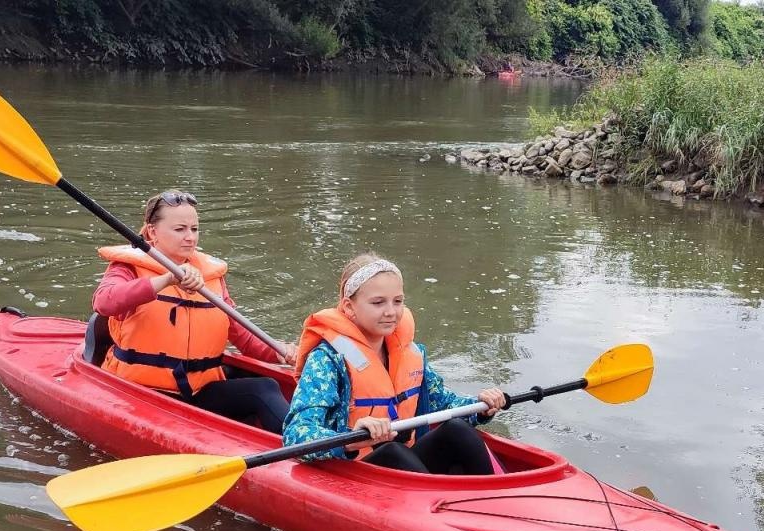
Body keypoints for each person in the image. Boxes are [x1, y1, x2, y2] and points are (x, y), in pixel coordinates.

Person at [284, 253, 507, 475]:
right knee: (393, 451)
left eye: (397, 301)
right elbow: (296, 435)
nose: (391, 312)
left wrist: (480, 406)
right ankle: (434, 504)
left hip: (405, 466)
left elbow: (444, 404)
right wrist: (352, 438)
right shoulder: (327, 359)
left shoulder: (409, 352)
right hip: (352, 470)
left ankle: (498, 497)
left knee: (458, 430)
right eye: (378, 302)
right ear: (349, 307)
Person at [91, 189, 292, 432]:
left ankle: (310, 448)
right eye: (180, 229)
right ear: (153, 232)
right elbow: (104, 302)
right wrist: (167, 279)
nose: (190, 237)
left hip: (200, 391)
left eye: (194, 229)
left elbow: (242, 335)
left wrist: (282, 353)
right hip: (143, 394)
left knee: (265, 387)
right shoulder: (127, 268)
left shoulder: (210, 275)